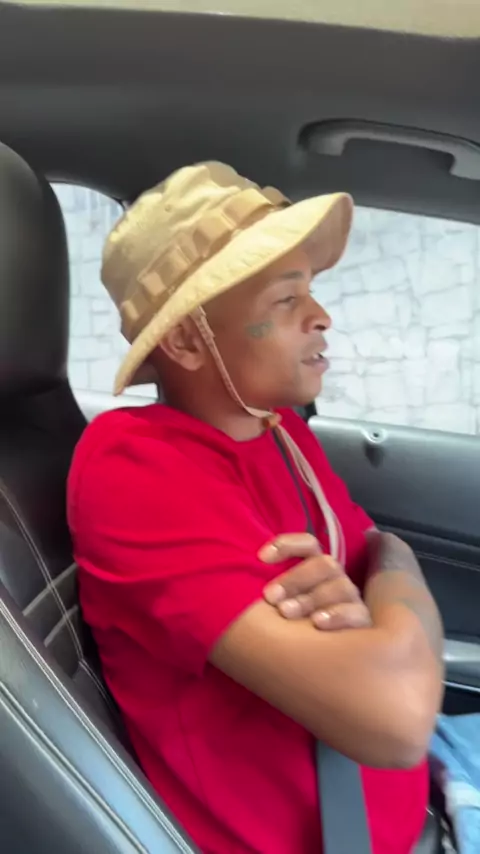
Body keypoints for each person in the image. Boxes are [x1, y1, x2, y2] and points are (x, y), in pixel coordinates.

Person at [67, 162, 444, 854]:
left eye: (312, 290)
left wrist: (386, 588)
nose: (321, 316)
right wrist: (393, 596)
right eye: (286, 298)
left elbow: (381, 549)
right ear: (187, 341)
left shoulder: (281, 431)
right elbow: (395, 719)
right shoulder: (137, 467)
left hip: (414, 809)